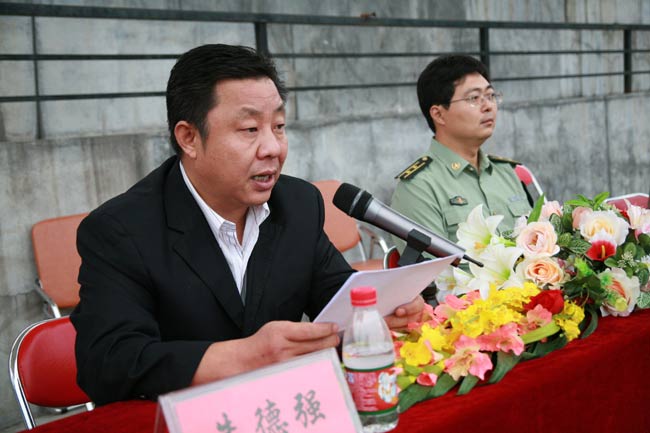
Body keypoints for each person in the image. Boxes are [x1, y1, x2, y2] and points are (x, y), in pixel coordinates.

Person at [71, 44, 423, 405]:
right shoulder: (121, 229)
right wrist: (247, 355)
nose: (273, 148)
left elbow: (336, 295)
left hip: (281, 409)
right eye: (250, 129)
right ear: (189, 138)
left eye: (279, 127)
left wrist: (379, 311)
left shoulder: (298, 203)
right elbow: (108, 364)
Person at [391, 55, 531, 252]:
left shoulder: (507, 173)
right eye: (474, 98)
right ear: (439, 114)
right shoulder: (418, 187)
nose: (488, 106)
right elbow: (433, 269)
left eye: (490, 95)